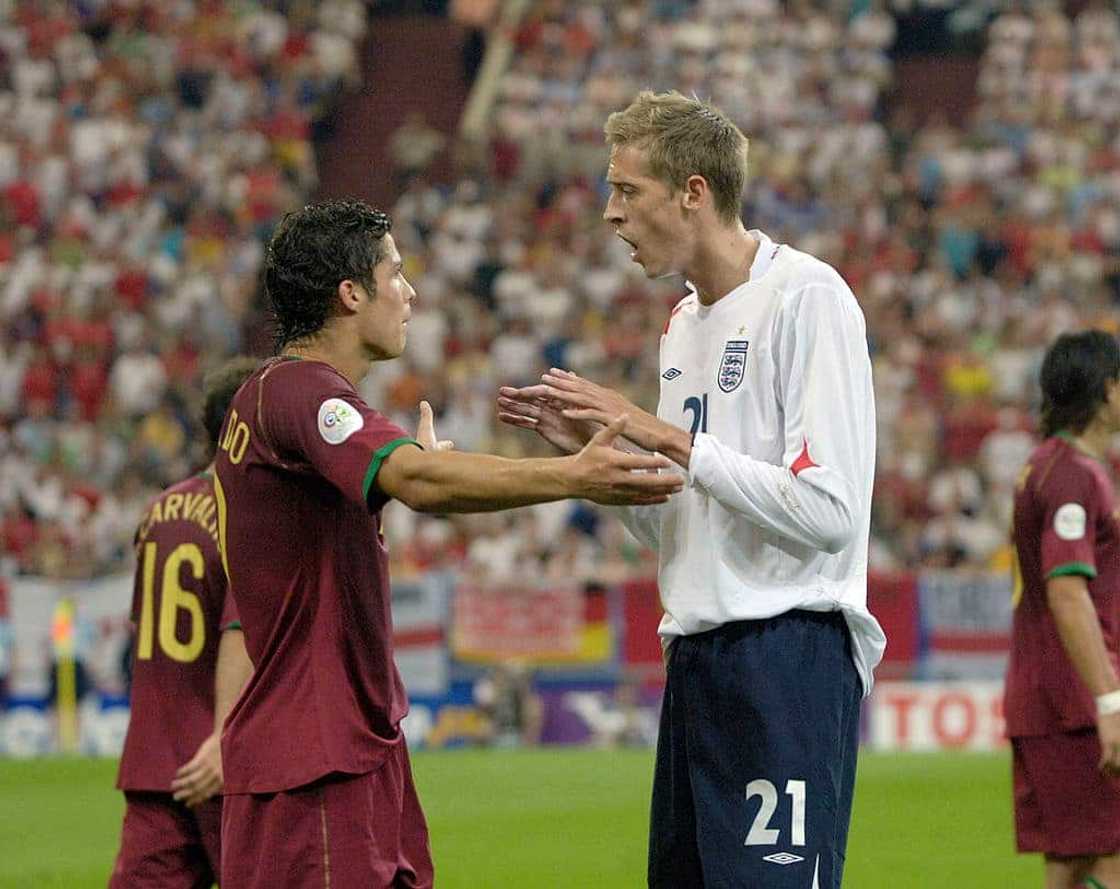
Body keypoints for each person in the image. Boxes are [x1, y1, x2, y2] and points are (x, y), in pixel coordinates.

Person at [213, 199, 683, 889]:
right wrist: (573, 475)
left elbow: (405, 483)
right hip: (313, 757)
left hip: (344, 744)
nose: (410, 292)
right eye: (395, 273)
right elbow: (419, 481)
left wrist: (422, 472)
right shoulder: (302, 391)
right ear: (351, 293)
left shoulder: (279, 398)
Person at [497, 90, 885, 889]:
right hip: (696, 656)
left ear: (693, 192)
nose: (611, 212)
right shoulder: (682, 323)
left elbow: (832, 511)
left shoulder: (807, 297)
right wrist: (603, 468)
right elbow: (686, 517)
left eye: (627, 190)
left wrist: (663, 435)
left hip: (787, 653)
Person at [110, 357, 257, 889]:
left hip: (153, 757)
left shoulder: (157, 511)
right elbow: (240, 631)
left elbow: (144, 630)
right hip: (226, 759)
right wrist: (222, 737)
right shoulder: (249, 516)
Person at [1004, 330, 1120, 889]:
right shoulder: (1073, 475)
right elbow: (1068, 592)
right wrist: (1109, 700)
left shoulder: (1048, 465)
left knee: (1076, 861)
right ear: (1106, 390)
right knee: (1101, 856)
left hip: (1055, 696)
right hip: (1071, 702)